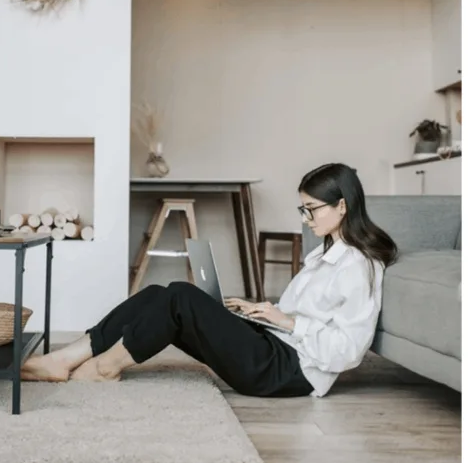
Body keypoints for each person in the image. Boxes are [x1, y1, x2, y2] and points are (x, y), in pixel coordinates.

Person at [21, 163, 398, 397]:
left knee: (181, 297)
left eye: (311, 209)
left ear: (342, 206)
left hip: (289, 372)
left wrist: (286, 321)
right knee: (159, 293)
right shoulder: (324, 254)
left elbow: (348, 351)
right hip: (275, 347)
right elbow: (302, 316)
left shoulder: (359, 267)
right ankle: (68, 356)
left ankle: (105, 368)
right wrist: (263, 311)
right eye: (303, 208)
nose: (305, 218)